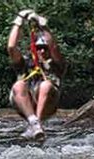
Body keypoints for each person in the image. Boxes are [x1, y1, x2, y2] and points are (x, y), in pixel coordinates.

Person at [7, 10, 67, 140]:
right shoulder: (25, 62)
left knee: (46, 85)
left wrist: (43, 26)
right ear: (33, 47)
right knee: (18, 85)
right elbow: (11, 47)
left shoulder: (57, 64)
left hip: (49, 102)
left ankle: (36, 124)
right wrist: (18, 22)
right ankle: (34, 123)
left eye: (44, 48)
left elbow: (54, 48)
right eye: (38, 47)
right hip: (24, 101)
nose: (41, 50)